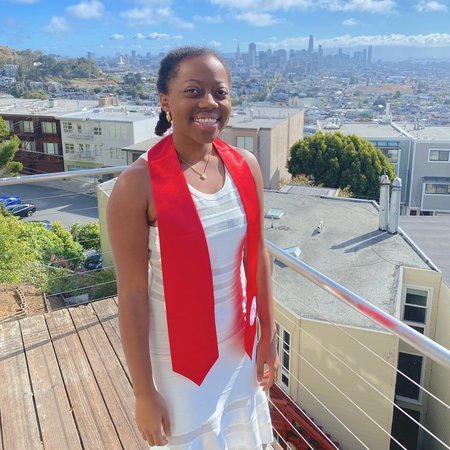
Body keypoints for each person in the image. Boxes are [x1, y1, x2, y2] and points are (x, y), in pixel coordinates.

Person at [107, 46, 279, 449]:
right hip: (178, 361)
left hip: (238, 344)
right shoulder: (137, 185)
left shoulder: (245, 166)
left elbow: (258, 255)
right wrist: (143, 392)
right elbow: (132, 294)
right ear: (166, 101)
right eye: (193, 91)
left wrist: (268, 335)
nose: (209, 103)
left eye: (220, 92)